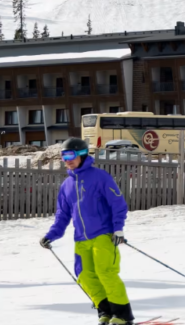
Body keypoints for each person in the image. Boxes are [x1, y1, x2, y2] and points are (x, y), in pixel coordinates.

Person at [40, 138, 135, 325]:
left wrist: (118, 229)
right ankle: (105, 312)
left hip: (104, 234)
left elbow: (118, 204)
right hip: (81, 238)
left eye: (70, 155)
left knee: (105, 272)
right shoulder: (66, 185)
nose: (67, 160)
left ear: (82, 155)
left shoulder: (100, 177)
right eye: (63, 156)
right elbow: (62, 215)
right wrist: (51, 235)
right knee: (84, 275)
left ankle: (122, 314)